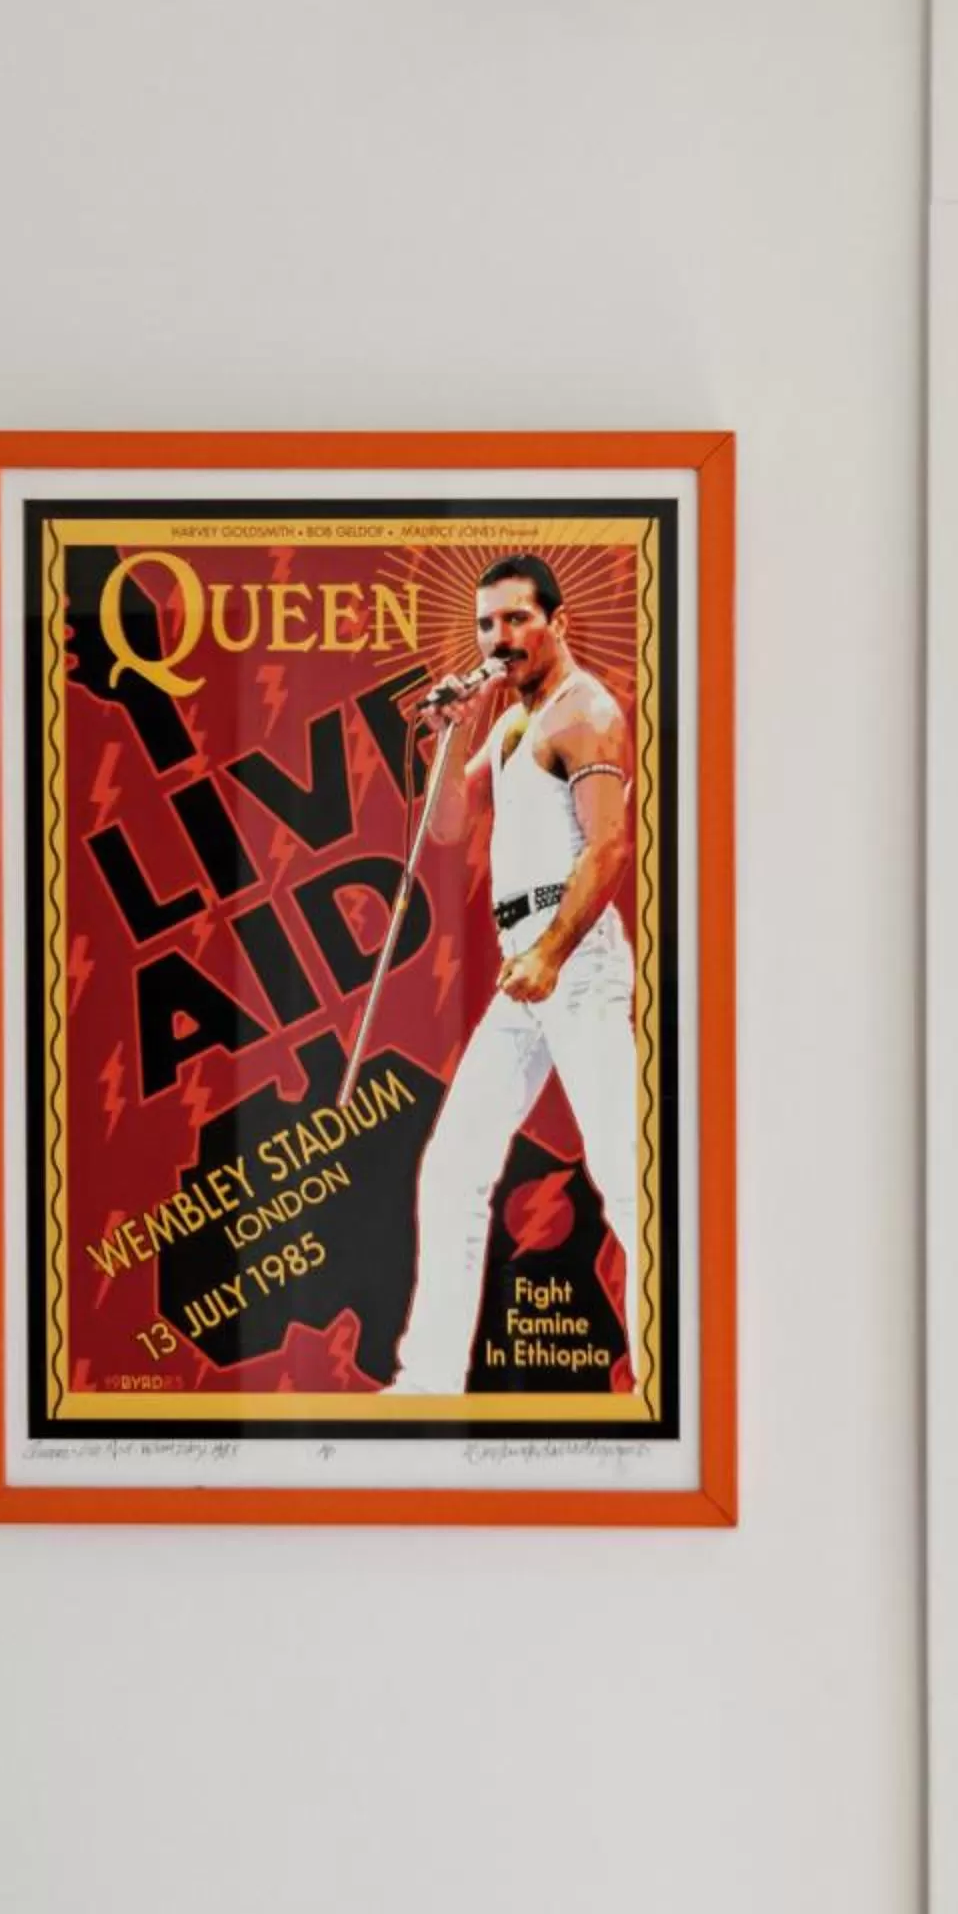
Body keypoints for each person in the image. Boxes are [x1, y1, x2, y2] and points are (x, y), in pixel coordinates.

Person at [389, 553, 639, 1394]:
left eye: (518, 620)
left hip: (573, 961)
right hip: (519, 966)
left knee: (625, 1170)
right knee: (455, 1165)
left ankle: (672, 1369)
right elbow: (450, 825)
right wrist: (456, 725)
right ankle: (425, 1383)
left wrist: (551, 952)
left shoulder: (587, 712)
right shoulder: (508, 725)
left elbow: (609, 847)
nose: (501, 638)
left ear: (557, 621)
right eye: (488, 624)